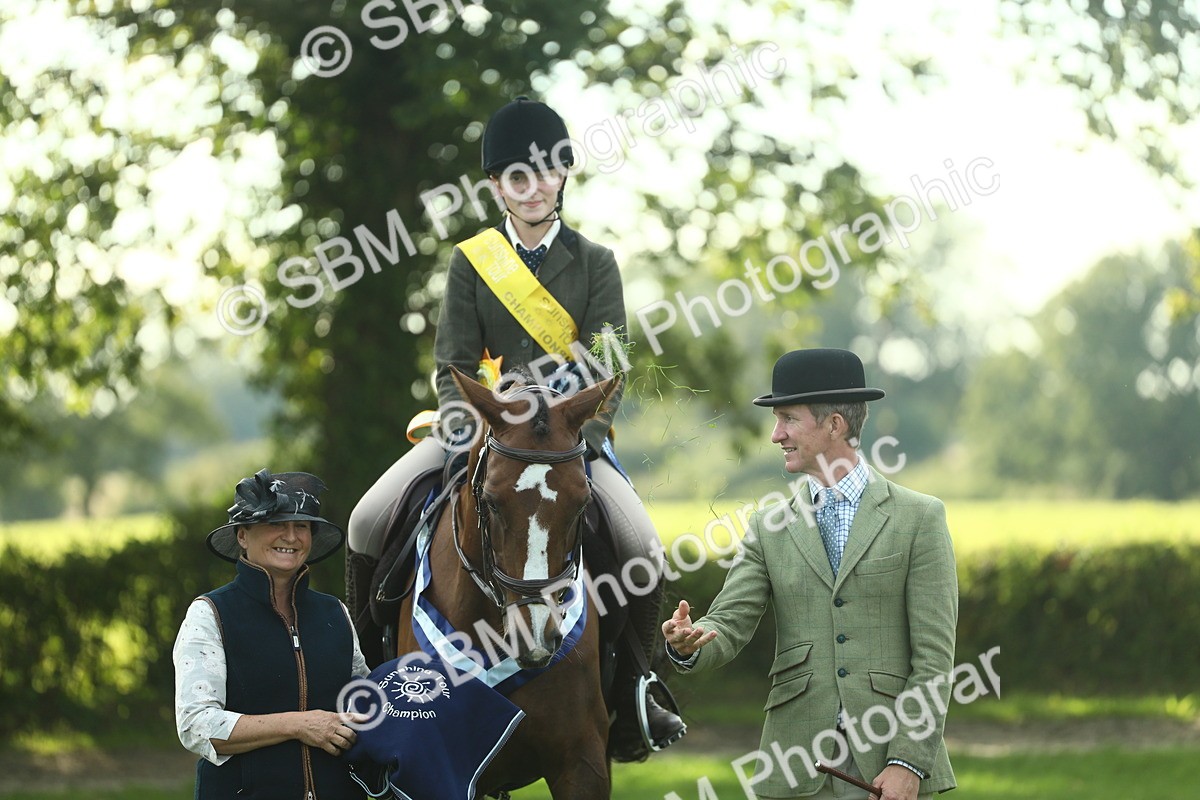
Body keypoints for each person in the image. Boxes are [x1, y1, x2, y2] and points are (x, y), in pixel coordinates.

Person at [347, 95, 686, 756]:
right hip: (481, 433)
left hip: (568, 444)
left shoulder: (596, 262)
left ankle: (638, 692)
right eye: (517, 177)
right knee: (365, 518)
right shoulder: (472, 262)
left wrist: (571, 434)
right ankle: (364, 678)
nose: (533, 188)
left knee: (642, 547)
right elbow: (451, 364)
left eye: (546, 172)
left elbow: (609, 364)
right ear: (496, 185)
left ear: (563, 176)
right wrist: (480, 422)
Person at [662, 348, 958, 800]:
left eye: (788, 419)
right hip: (794, 764)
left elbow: (935, 660)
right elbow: (728, 623)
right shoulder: (768, 526)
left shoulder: (920, 518)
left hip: (886, 766)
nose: (776, 434)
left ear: (835, 424)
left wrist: (907, 762)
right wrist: (689, 642)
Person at [174, 468, 370, 799]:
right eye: (276, 524)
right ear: (242, 536)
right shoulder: (210, 613)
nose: (291, 537)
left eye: (302, 526)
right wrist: (299, 725)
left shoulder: (336, 613)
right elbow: (197, 725)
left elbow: (366, 700)